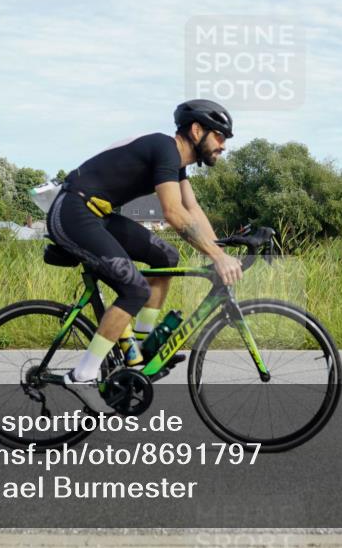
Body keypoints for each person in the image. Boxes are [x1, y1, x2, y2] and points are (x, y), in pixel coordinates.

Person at [47, 99, 243, 413]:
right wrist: (216, 257)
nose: (223, 145)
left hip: (98, 215)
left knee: (165, 256)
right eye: (220, 136)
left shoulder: (176, 162)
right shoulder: (165, 149)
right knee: (135, 288)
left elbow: (193, 209)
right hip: (73, 210)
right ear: (196, 130)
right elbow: (174, 212)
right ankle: (82, 375)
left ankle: (140, 345)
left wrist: (220, 252)